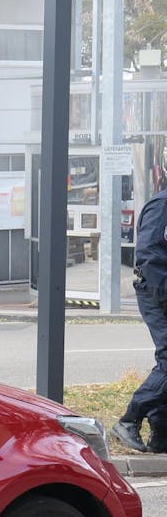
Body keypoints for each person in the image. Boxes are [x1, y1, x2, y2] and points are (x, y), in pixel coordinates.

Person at [113, 183, 167, 454]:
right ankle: (129, 420)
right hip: (158, 293)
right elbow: (149, 258)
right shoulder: (162, 206)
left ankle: (161, 435)